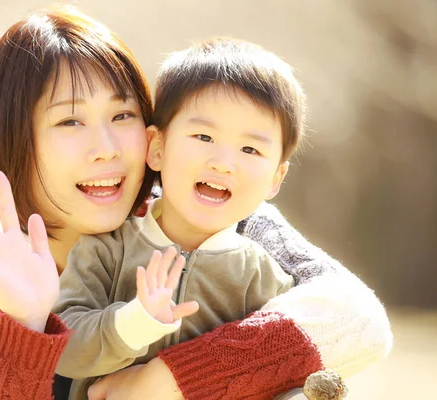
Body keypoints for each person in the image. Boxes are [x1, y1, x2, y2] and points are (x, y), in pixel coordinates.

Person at [0, 6, 392, 400]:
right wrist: (23, 327)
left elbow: (356, 320)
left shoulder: (222, 223)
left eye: (122, 114)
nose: (106, 148)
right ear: (13, 140)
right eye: (69, 122)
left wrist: (166, 380)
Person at [52, 37, 319, 399]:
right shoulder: (106, 250)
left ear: (276, 178)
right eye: (204, 136)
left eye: (250, 149)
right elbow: (61, 349)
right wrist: (136, 321)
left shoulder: (263, 277)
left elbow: (282, 373)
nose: (223, 162)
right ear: (157, 148)